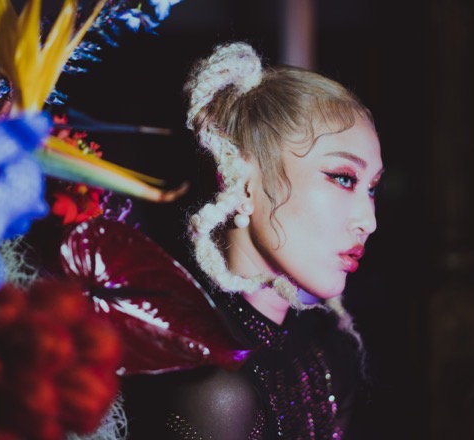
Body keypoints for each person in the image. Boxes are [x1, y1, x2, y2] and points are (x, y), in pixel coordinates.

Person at [120, 41, 384, 439]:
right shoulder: (215, 390)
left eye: (372, 188)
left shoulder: (328, 353)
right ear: (243, 182)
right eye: (343, 178)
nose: (369, 221)